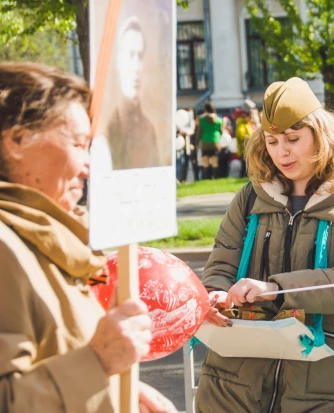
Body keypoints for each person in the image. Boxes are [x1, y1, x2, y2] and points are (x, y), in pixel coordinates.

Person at [195, 77, 334, 413]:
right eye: (271, 141)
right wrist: (214, 293)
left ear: (320, 135)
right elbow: (222, 263)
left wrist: (275, 289)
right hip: (237, 385)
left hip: (327, 386)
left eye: (293, 139)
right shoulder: (249, 198)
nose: (281, 152)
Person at [0, 62, 178, 412]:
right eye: (79, 144)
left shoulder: (50, 240)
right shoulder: (7, 247)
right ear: (17, 140)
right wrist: (99, 361)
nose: (89, 164)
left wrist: (112, 391)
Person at [106, 16, 162, 170]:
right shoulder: (109, 124)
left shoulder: (148, 128)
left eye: (140, 56)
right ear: (118, 60)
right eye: (130, 55)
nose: (136, 67)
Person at [196, 102, 225, 180]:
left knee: (205, 161)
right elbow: (221, 132)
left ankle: (206, 178)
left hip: (205, 141)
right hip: (215, 141)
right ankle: (215, 177)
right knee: (215, 162)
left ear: (206, 110)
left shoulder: (201, 119)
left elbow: (199, 132)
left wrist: (197, 143)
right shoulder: (219, 120)